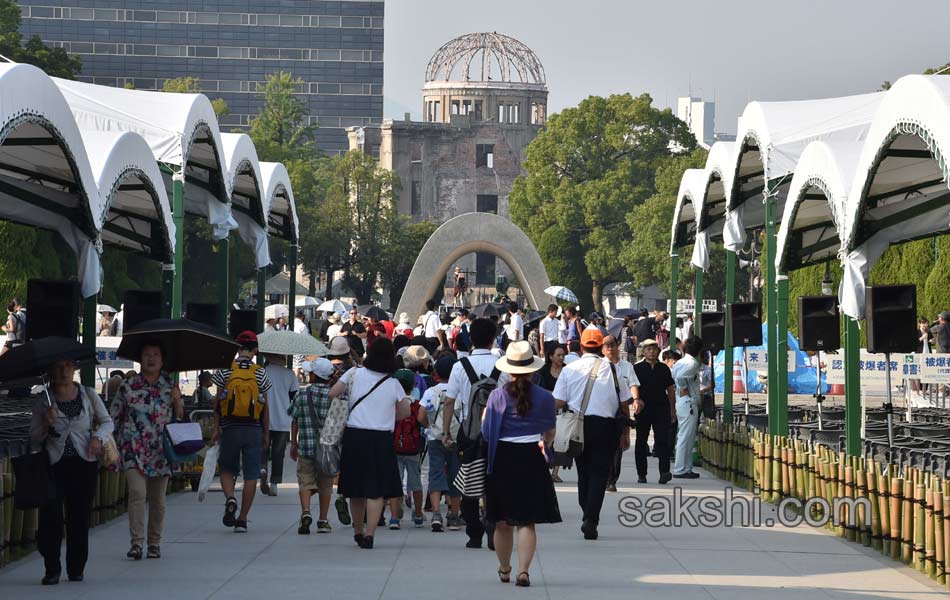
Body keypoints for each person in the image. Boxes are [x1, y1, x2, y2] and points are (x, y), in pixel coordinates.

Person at [482, 341, 560, 587]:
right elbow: (549, 432)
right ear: (532, 369)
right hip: (531, 456)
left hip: (503, 456)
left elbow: (486, 431)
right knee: (527, 521)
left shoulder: (497, 395)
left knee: (502, 520)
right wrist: (544, 444)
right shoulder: (546, 397)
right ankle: (524, 571)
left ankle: (505, 568)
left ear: (509, 369)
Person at [31, 357, 113, 585]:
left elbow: (107, 422)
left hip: (83, 461)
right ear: (49, 371)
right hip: (53, 464)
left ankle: (76, 567)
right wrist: (46, 423)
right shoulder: (42, 400)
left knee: (79, 516)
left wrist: (98, 438)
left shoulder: (87, 394)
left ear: (74, 369)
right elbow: (35, 437)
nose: (63, 371)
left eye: (67, 366)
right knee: (51, 517)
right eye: (57, 366)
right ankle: (52, 568)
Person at [329, 338, 410, 549]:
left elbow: (333, 393)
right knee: (376, 490)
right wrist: (386, 414)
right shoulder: (393, 383)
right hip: (381, 438)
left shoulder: (353, 374)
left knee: (356, 489)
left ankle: (358, 530)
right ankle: (371, 534)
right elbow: (405, 411)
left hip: (355, 436)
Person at [553, 328, 632, 541]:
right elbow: (625, 403)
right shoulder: (613, 369)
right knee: (599, 473)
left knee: (583, 471)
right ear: (600, 346)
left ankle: (587, 510)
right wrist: (625, 433)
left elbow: (558, 401)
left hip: (578, 425)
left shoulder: (570, 370)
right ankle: (591, 518)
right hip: (605, 427)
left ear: (580, 346)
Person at [110, 342, 184, 560]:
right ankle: (136, 543)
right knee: (137, 494)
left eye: (156, 355)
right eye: (146, 354)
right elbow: (114, 417)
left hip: (161, 451)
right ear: (140, 359)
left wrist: (178, 399)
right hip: (133, 448)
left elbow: (179, 419)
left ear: (162, 360)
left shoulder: (169, 385)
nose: (151, 359)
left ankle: (154, 542)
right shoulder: (128, 385)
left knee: (158, 500)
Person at [441, 317, 510, 548]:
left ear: (471, 338)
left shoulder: (460, 366)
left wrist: (445, 432)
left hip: (469, 433)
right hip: (498, 433)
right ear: (493, 339)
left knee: (468, 481)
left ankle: (474, 532)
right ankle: (493, 522)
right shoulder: (502, 366)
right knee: (495, 481)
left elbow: (449, 401)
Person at [211, 331, 273, 533]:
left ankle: (230, 497)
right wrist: (266, 433)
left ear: (237, 348)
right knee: (251, 475)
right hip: (253, 428)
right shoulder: (260, 372)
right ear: (255, 349)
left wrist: (215, 428)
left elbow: (217, 402)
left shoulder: (226, 370)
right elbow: (265, 406)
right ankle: (243, 519)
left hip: (230, 427)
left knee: (227, 470)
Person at [290, 358, 337, 534]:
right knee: (325, 484)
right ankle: (323, 520)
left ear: (314, 376)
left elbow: (294, 419)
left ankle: (306, 512)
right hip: (327, 449)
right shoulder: (334, 396)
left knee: (305, 480)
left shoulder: (301, 394)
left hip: (305, 446)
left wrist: (293, 443)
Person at [421, 355, 462, 533]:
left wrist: (429, 426)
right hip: (455, 438)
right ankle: (454, 515)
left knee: (436, 473)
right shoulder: (459, 392)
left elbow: (420, 415)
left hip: (435, 438)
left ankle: (436, 514)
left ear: (436, 372)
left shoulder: (431, 392)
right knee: (456, 475)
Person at [632, 339, 675, 484]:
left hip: (661, 408)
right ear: (643, 352)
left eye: (654, 349)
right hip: (643, 409)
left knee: (662, 440)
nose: (651, 352)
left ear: (658, 351)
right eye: (648, 349)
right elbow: (633, 387)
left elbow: (670, 389)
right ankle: (641, 473)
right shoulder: (637, 368)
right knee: (641, 441)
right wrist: (636, 401)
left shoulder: (663, 368)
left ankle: (664, 471)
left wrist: (672, 410)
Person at [389, 369, 428, 529]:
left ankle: (395, 517)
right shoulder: (416, 405)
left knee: (395, 483)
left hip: (395, 448)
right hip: (413, 448)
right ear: (413, 386)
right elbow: (423, 422)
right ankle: (418, 514)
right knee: (415, 482)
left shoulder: (393, 404)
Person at [602, 334, 639, 493]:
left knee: (617, 448)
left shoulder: (626, 367)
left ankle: (612, 480)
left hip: (619, 412)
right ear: (603, 349)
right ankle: (603, 477)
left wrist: (636, 399)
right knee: (602, 448)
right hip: (602, 411)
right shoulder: (599, 367)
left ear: (618, 347)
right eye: (607, 346)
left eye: (613, 345)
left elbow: (633, 385)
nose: (610, 348)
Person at [260, 353, 300, 496]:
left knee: (263, 447)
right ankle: (274, 484)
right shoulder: (289, 374)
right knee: (278, 452)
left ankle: (262, 468)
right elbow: (295, 398)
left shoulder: (261, 372)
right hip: (283, 419)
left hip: (264, 417)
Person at [533, 343, 566, 482]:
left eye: (563, 355)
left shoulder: (567, 371)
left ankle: (555, 472)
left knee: (560, 442)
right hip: (546, 411)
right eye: (558, 355)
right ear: (551, 356)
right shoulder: (543, 372)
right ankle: (543, 467)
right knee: (546, 440)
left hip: (563, 411)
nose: (561, 358)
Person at [672, 336, 703, 479]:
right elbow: (679, 378)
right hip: (688, 401)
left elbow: (675, 375)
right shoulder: (692, 363)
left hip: (682, 401)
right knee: (686, 436)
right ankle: (680, 468)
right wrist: (684, 389)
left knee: (687, 436)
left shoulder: (681, 361)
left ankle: (686, 467)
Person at [293, 310, 309, 382]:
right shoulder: (302, 326)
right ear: (302, 317)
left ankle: (293, 381)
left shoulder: (291, 324)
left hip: (290, 347)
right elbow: (305, 339)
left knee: (293, 365)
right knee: (298, 366)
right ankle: (296, 382)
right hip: (299, 347)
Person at [700, 350, 715, 419]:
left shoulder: (707, 370)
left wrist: (703, 391)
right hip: (694, 397)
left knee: (708, 418)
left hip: (706, 397)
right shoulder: (691, 369)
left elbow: (712, 385)